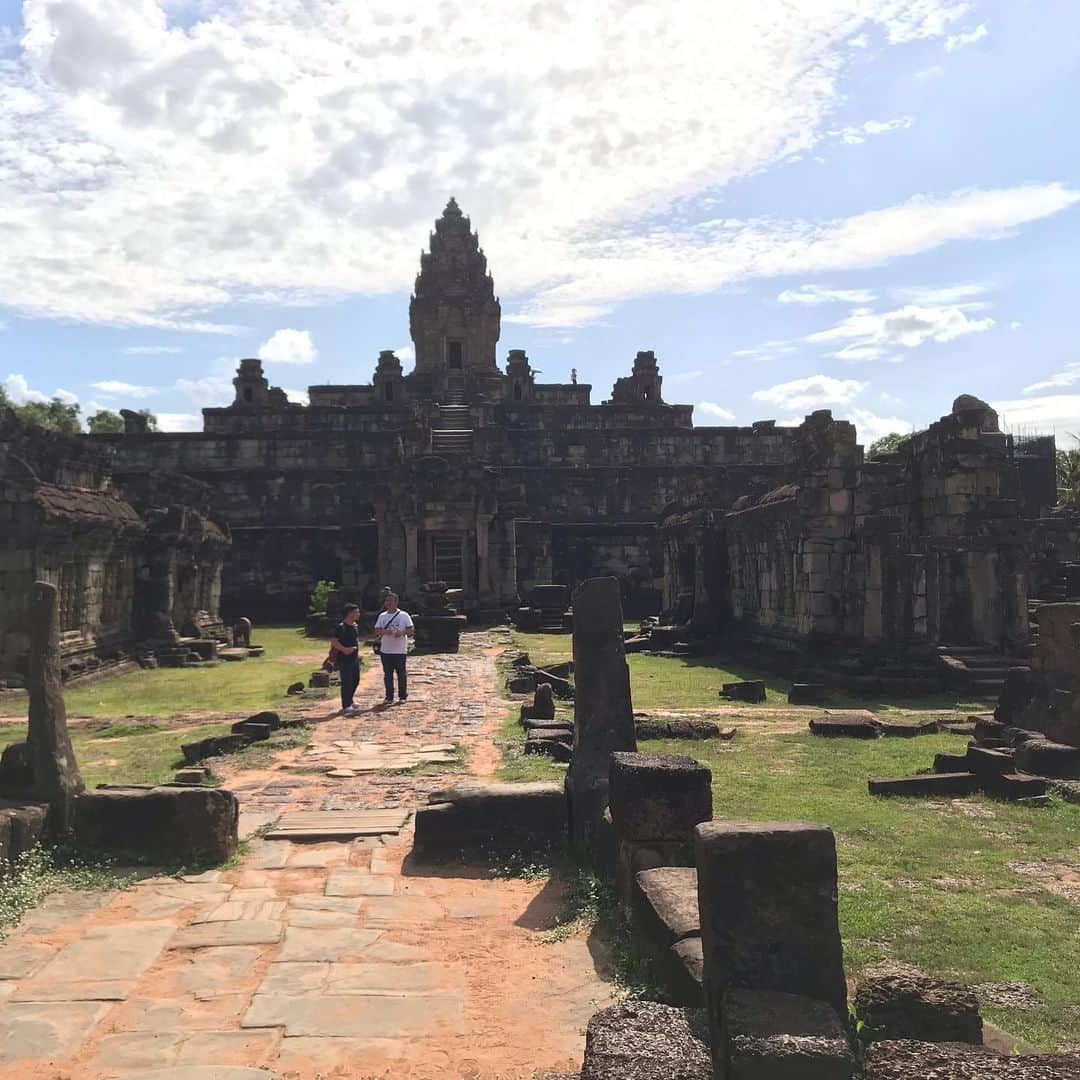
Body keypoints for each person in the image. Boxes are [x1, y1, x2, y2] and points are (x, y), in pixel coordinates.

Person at [374, 591, 414, 705]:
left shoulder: (404, 615)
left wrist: (402, 632)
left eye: (390, 601)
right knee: (387, 674)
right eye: (386, 601)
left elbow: (411, 630)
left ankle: (402, 695)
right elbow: (376, 630)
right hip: (386, 650)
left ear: (396, 602)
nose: (388, 603)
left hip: (400, 650)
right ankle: (389, 696)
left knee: (401, 673)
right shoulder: (382, 616)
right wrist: (385, 631)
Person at [331, 602, 362, 715]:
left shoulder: (355, 626)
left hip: (354, 658)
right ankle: (346, 705)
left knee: (356, 680)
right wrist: (344, 649)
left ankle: (350, 700)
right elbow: (334, 641)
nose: (358, 614)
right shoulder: (340, 627)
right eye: (356, 612)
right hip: (344, 658)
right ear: (349, 613)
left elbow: (356, 640)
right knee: (347, 682)